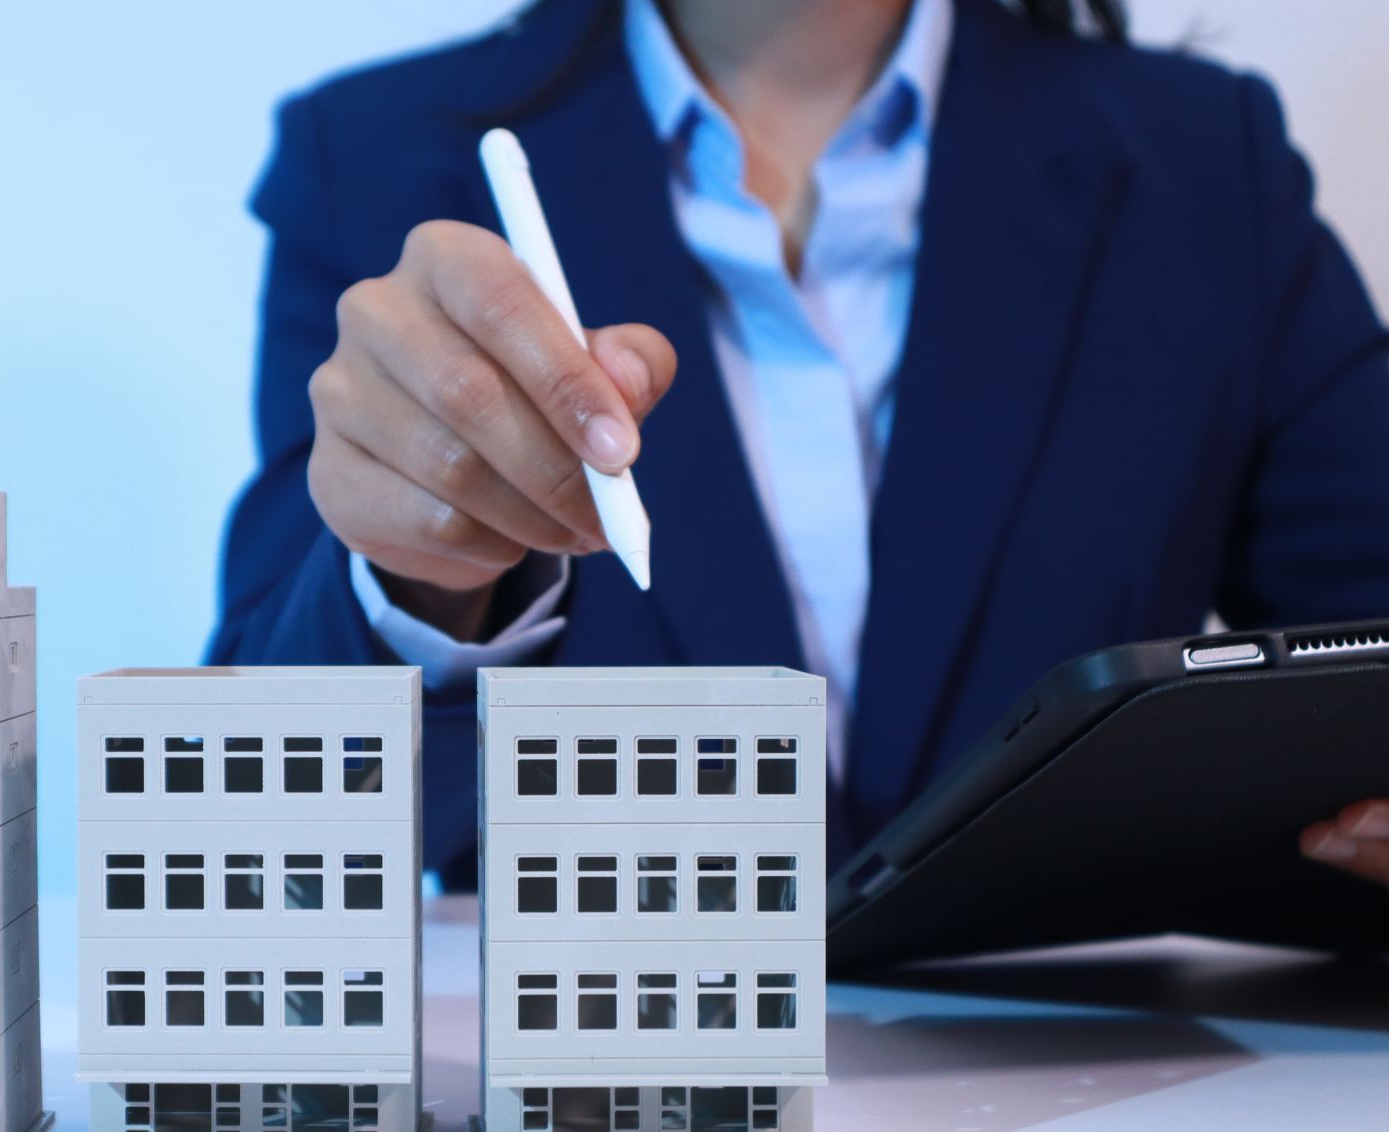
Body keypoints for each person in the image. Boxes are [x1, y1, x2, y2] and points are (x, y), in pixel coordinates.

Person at [209, 0, 1389, 891]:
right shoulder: (376, 159)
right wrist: (424, 574)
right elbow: (258, 789)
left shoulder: (1198, 163)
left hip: (1102, 1130)